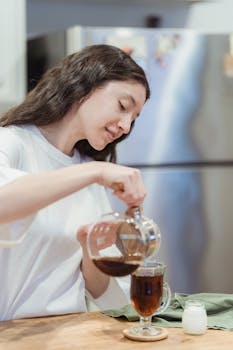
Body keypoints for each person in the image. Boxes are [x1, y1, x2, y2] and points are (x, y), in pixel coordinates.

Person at [0, 44, 150, 320]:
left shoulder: (88, 169)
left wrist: (90, 249)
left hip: (70, 334)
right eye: (123, 106)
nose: (125, 126)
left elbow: (100, 292)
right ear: (84, 86)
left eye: (134, 118)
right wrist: (95, 172)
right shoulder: (11, 142)